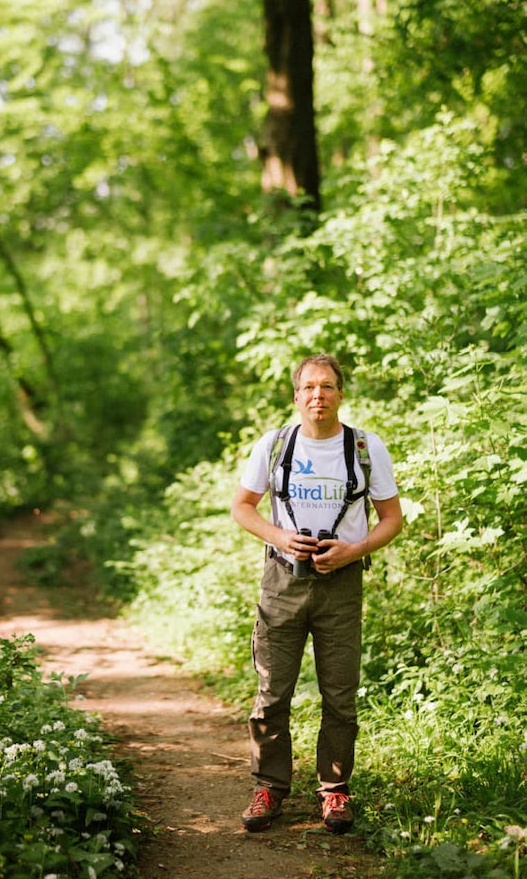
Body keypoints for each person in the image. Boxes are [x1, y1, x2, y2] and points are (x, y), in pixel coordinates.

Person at [231, 354, 403, 834]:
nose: (317, 396)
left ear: (341, 394)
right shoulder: (275, 445)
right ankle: (268, 788)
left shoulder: (366, 447)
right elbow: (242, 508)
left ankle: (334, 793)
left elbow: (392, 519)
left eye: (327, 387)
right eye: (308, 387)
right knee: (271, 693)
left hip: (342, 586)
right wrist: (279, 537)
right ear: (296, 395)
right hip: (283, 582)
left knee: (340, 696)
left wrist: (354, 551)